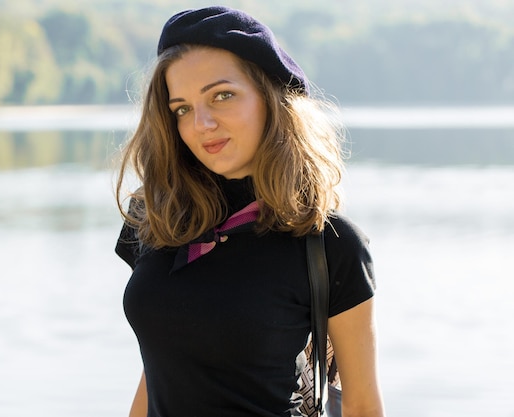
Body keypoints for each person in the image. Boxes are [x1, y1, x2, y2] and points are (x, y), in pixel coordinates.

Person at [115, 6, 385, 417]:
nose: (201, 123)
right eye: (182, 108)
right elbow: (159, 369)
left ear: (271, 98)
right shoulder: (155, 218)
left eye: (222, 96)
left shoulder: (330, 244)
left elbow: (363, 407)